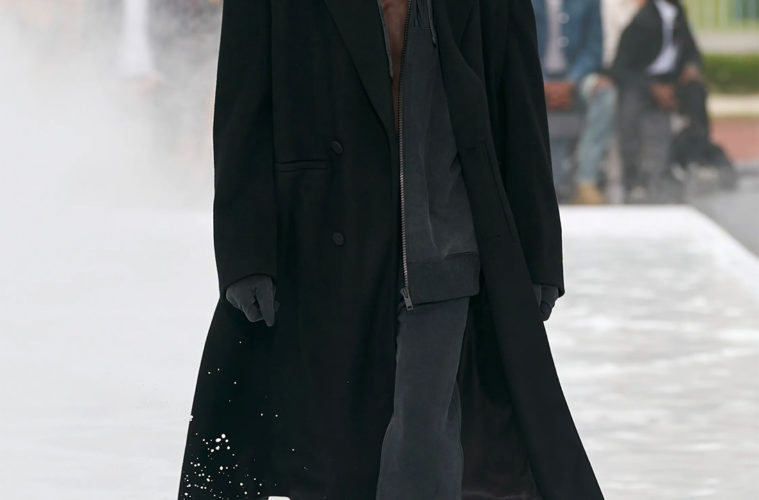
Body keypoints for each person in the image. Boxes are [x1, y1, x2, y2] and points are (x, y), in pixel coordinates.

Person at [178, 0, 604, 499]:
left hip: (448, 240)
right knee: (340, 459)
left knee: (422, 440)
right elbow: (243, 98)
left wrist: (538, 253)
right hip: (323, 238)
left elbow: (519, 98)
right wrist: (245, 253)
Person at [611, 0, 734, 202]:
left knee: (696, 91)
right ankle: (634, 179)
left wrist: (691, 67)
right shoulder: (643, 20)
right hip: (643, 82)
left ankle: (696, 159)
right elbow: (621, 68)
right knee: (629, 106)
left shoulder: (677, 13)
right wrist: (652, 87)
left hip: (671, 79)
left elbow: (692, 51)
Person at [532, 0, 617, 204]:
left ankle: (586, 180)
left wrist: (570, 81)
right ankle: (530, 181)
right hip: (531, 77)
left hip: (576, 78)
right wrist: (541, 81)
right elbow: (516, 46)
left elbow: (594, 49)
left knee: (604, 94)